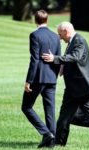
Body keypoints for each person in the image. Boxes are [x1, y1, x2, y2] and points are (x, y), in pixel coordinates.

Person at [42, 21, 89, 148]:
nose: (59, 37)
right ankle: (59, 142)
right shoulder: (71, 42)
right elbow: (70, 57)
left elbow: (76, 56)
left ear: (66, 31)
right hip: (72, 88)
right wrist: (62, 66)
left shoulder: (79, 40)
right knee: (64, 116)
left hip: (82, 87)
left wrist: (55, 58)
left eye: (60, 34)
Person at [21, 10, 61, 148]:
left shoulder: (34, 35)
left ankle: (46, 133)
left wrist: (28, 81)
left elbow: (34, 60)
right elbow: (58, 59)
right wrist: (54, 77)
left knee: (26, 107)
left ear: (35, 20)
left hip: (37, 79)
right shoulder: (56, 37)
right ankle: (51, 142)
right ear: (47, 20)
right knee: (50, 110)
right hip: (51, 79)